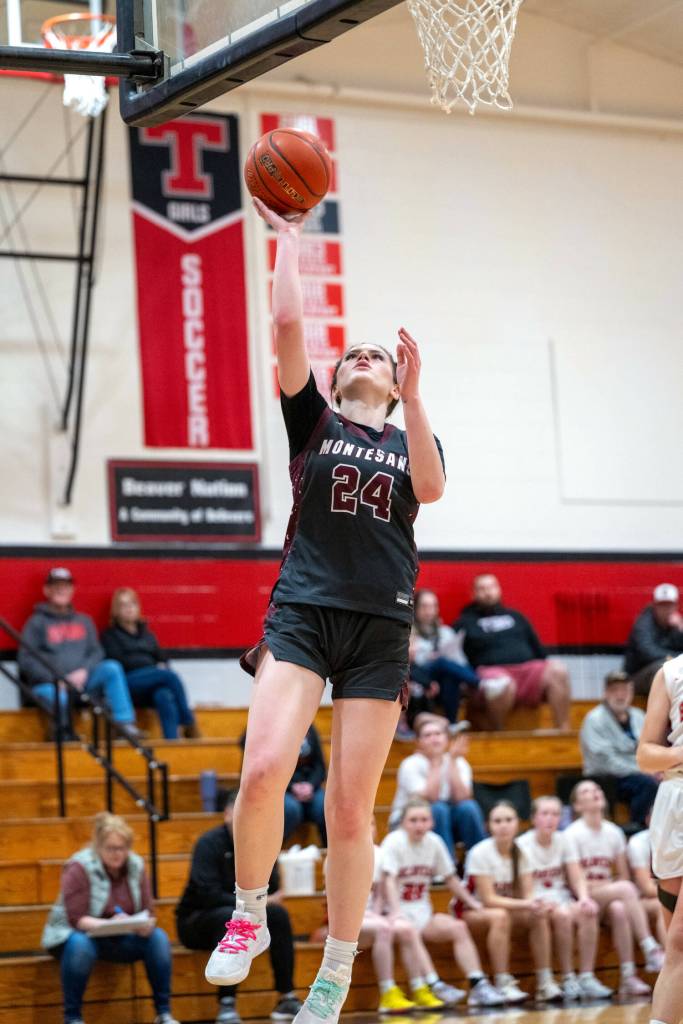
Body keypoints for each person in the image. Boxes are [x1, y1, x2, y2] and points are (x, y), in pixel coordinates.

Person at [204, 194, 447, 1024]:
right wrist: (288, 241)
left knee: (349, 808)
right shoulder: (312, 422)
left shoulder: (410, 433)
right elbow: (285, 333)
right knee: (264, 767)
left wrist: (415, 399)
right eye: (353, 355)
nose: (361, 359)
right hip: (303, 611)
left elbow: (432, 488)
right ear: (336, 379)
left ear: (392, 376)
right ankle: (247, 915)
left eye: (375, 355)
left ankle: (336, 970)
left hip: (381, 625)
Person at [177, 789, 301, 1024]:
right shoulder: (208, 843)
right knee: (231, 917)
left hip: (238, 916)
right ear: (227, 813)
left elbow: (272, 886)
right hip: (196, 919)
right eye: (241, 812)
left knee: (278, 915)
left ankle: (287, 996)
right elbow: (206, 893)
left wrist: (259, 903)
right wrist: (247, 905)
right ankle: (227, 1004)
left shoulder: (261, 844)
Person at [41, 812, 178, 1024]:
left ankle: (163, 1013)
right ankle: (73, 1017)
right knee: (80, 944)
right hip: (75, 935)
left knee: (158, 938)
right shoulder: (79, 866)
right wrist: (108, 924)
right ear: (98, 846)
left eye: (122, 848)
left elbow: (148, 911)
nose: (118, 854)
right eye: (111, 848)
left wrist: (144, 925)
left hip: (120, 934)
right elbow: (76, 918)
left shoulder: (136, 865)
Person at [381, 798, 504, 1008]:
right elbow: (388, 880)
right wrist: (395, 911)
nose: (419, 825)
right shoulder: (394, 842)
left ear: (432, 822)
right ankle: (433, 983)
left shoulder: (435, 842)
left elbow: (450, 878)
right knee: (409, 930)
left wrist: (472, 903)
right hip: (396, 914)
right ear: (403, 823)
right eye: (413, 820)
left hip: (423, 912)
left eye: (424, 820)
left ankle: (478, 984)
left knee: (458, 927)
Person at [563, 779, 663, 995]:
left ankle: (628, 976)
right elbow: (575, 880)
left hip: (606, 895)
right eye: (586, 791)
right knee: (625, 890)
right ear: (578, 805)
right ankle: (649, 948)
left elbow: (623, 875)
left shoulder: (614, 832)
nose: (595, 792)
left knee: (619, 908)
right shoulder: (571, 834)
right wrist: (605, 886)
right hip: (581, 897)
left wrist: (608, 885)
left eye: (597, 788)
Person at [18, 567, 141, 741]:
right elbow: (26, 659)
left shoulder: (84, 621)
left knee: (111, 667)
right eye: (56, 586)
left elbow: (97, 651)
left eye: (66, 586)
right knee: (59, 699)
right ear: (46, 590)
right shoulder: (36, 623)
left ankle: (124, 723)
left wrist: (84, 671)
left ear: (72, 590)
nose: (61, 590)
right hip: (50, 685)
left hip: (83, 682)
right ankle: (65, 738)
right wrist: (56, 679)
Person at [516, 796, 613, 999]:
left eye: (555, 814)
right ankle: (568, 977)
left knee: (588, 911)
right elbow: (525, 890)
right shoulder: (522, 844)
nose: (550, 819)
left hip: (561, 898)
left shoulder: (564, 839)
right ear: (534, 818)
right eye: (545, 814)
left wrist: (584, 897)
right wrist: (539, 902)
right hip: (536, 900)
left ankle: (586, 976)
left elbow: (576, 876)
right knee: (563, 915)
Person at [465, 801, 562, 1002]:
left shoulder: (521, 852)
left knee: (538, 914)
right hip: (471, 910)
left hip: (505, 909)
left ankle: (545, 982)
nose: (503, 825)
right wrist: (528, 904)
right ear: (488, 826)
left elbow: (528, 895)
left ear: (517, 824)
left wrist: (539, 904)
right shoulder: (479, 852)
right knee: (500, 916)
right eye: (497, 821)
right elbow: (488, 899)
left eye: (508, 820)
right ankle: (502, 982)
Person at [349, 814, 444, 1013]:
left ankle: (419, 988)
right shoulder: (340, 854)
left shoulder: (380, 854)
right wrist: (373, 917)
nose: (369, 829)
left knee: (407, 929)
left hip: (371, 917)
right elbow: (338, 901)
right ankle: (387, 993)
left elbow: (380, 894)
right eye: (364, 824)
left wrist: (381, 913)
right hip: (347, 920)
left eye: (373, 824)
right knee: (384, 928)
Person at [453, 573, 571, 730]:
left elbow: (540, 652)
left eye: (492, 587)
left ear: (499, 590)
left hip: (526, 672)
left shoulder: (516, 616)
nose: (488, 592)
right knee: (501, 684)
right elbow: (454, 657)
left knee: (558, 669)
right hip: (491, 673)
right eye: (482, 588)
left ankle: (563, 731)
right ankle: (499, 734)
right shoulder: (464, 622)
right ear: (473, 594)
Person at [636, 652, 683, 1024]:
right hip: (674, 803)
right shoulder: (670, 672)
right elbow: (646, 756)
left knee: (681, 940)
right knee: (676, 947)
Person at [101, 587, 200, 740]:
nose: (129, 609)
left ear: (138, 607)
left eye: (132, 604)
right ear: (116, 610)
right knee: (169, 676)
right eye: (123, 605)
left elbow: (162, 657)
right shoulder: (109, 635)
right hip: (128, 683)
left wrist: (159, 666)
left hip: (152, 682)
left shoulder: (147, 635)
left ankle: (172, 743)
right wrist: (156, 669)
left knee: (164, 694)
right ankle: (188, 721)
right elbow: (119, 663)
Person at [388, 714, 486, 853]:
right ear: (418, 742)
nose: (434, 738)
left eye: (438, 734)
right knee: (438, 809)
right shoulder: (410, 764)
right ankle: (446, 868)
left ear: (447, 739)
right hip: (408, 821)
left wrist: (451, 761)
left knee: (469, 808)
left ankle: (479, 863)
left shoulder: (457, 761)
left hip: (443, 821)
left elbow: (463, 797)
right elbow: (430, 798)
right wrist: (435, 761)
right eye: (427, 735)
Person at [580, 670, 659, 827]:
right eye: (615, 690)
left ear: (631, 692)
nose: (620, 695)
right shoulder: (594, 719)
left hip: (637, 772)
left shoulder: (638, 715)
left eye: (624, 690)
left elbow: (651, 746)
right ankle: (636, 827)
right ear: (605, 693)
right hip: (605, 777)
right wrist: (643, 770)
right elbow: (605, 762)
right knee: (646, 784)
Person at [409, 589, 479, 726]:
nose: (429, 611)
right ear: (415, 608)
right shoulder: (408, 632)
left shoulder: (446, 632)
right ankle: (477, 682)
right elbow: (408, 666)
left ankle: (452, 723)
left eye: (433, 606)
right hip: (419, 679)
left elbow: (460, 662)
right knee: (439, 662)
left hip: (441, 683)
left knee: (449, 674)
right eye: (424, 606)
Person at [624, 584, 683, 696]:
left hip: (665, 671)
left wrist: (681, 630)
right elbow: (647, 652)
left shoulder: (678, 625)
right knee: (664, 669)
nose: (666, 610)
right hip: (635, 679)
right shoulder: (643, 624)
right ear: (654, 606)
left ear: (676, 606)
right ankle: (662, 713)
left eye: (669, 605)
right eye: (662, 605)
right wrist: (677, 659)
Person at [284, 725, 327, 846]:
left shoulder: (311, 728)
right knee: (291, 810)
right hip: (283, 789)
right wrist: (291, 786)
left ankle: (328, 852)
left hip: (310, 787)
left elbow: (320, 766)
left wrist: (311, 785)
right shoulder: (276, 726)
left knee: (326, 807)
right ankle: (273, 855)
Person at [627, 816, 666, 946]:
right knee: (665, 906)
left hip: (666, 895)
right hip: (640, 901)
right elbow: (647, 889)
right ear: (648, 819)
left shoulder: (677, 841)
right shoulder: (638, 842)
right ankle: (669, 960)